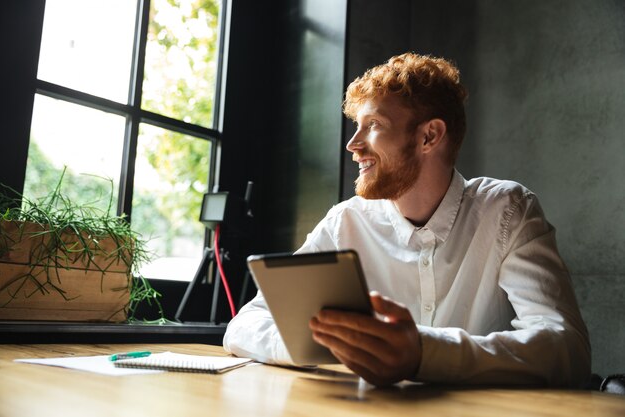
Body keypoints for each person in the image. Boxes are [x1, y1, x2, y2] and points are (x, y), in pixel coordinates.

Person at [223, 52, 591, 388]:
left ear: (429, 136)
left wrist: (422, 353)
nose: (353, 144)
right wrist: (339, 348)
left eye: (373, 125)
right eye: (356, 125)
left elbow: (566, 346)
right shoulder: (345, 221)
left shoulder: (508, 210)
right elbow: (244, 325)